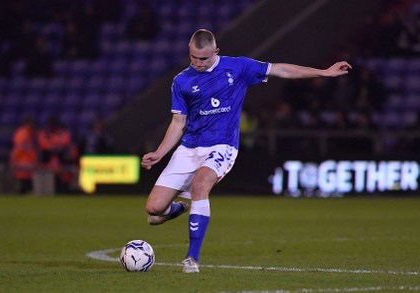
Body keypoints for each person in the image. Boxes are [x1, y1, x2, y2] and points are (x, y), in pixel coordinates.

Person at [140, 29, 351, 273]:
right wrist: (160, 152)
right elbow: (178, 123)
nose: (198, 63)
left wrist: (323, 72)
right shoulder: (181, 81)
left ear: (215, 52)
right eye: (194, 57)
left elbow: (280, 69)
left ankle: (191, 258)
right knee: (154, 209)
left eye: (204, 58)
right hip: (189, 148)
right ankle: (178, 208)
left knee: (200, 186)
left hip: (222, 145)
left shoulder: (238, 67)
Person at [10, 114, 38, 194]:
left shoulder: (29, 133)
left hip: (28, 163)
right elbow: (18, 149)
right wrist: (14, 161)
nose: (33, 125)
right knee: (23, 185)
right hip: (22, 163)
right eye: (31, 123)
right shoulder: (22, 134)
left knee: (27, 186)